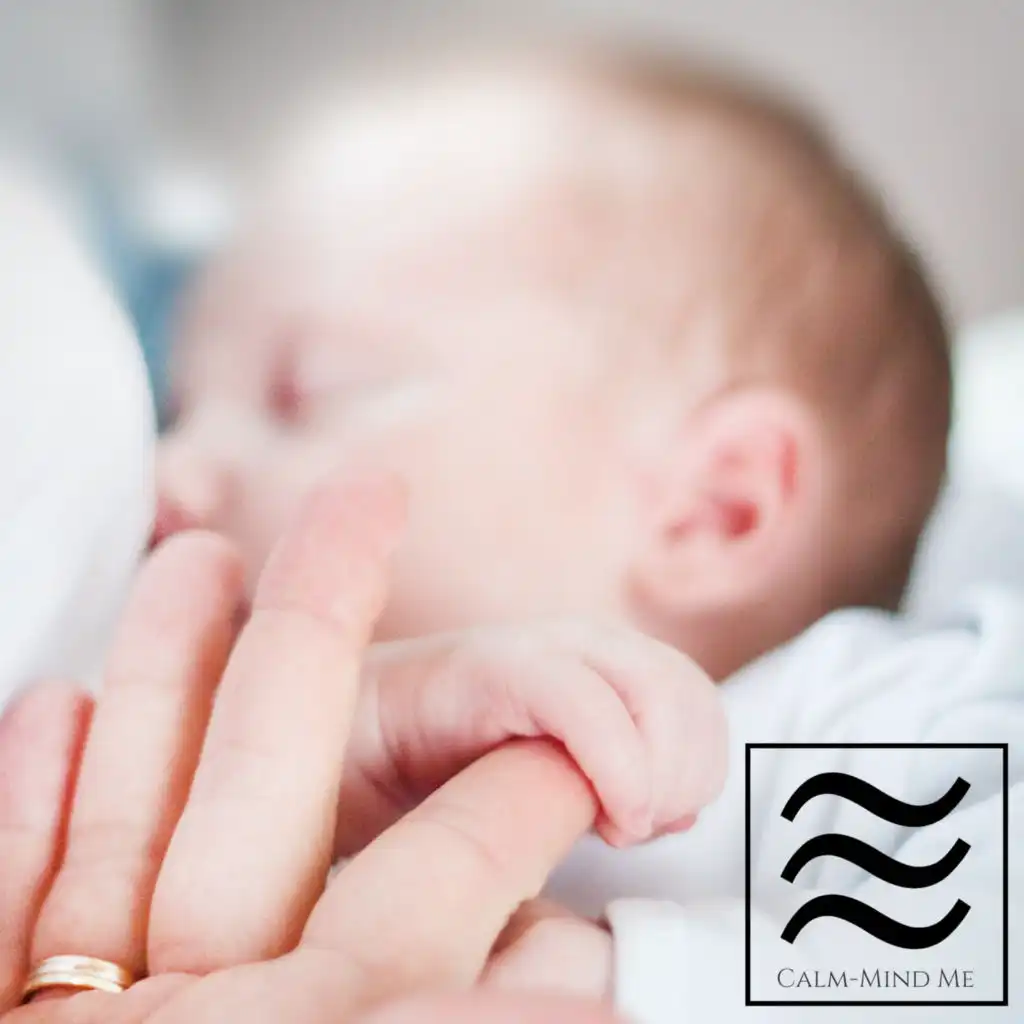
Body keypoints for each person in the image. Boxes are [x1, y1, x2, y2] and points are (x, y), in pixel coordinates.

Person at [151, 47, 1023, 1022]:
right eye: (177, 409)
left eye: (303, 392)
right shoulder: (238, 753)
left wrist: (639, 983)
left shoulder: (859, 728)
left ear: (713, 510)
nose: (171, 472)